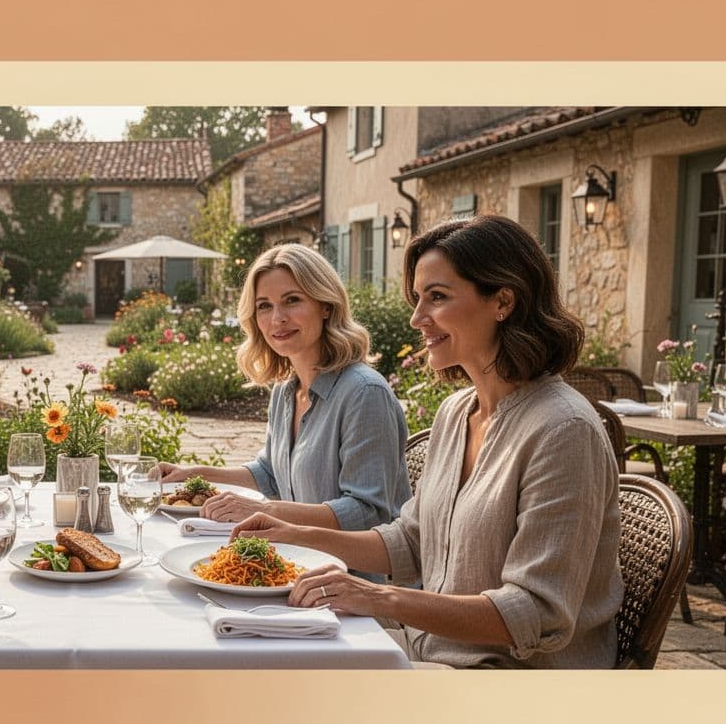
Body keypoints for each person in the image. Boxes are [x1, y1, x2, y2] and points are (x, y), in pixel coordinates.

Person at [233, 215, 623, 668]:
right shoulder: (457, 413)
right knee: (252, 644)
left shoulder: (563, 430)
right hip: (429, 650)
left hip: (506, 679)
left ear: (503, 301)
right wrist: (295, 535)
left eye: (437, 297)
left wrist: (379, 597)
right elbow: (411, 541)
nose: (417, 318)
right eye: (418, 299)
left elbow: (535, 612)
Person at [158, 243, 409, 534]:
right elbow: (270, 474)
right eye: (264, 305)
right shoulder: (286, 390)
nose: (277, 318)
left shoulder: (364, 393)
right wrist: (193, 475)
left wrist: (265, 510)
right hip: (301, 561)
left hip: (351, 574)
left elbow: (368, 512)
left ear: (325, 305)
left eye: (292, 300)